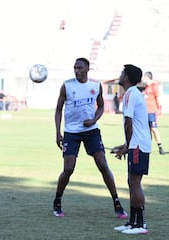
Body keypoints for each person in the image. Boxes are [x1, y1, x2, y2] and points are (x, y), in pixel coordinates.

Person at [53, 57, 127, 219]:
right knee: (68, 169)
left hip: (91, 131)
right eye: (75, 68)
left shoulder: (95, 85)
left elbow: (101, 106)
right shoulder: (67, 86)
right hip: (71, 132)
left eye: (80, 68)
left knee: (102, 164)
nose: (77, 71)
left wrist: (93, 120)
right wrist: (58, 132)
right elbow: (58, 109)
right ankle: (57, 201)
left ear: (87, 68)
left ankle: (116, 202)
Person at [112, 64, 151, 235]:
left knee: (135, 183)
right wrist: (126, 145)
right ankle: (133, 222)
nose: (119, 76)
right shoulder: (134, 94)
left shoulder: (130, 94)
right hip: (137, 144)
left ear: (126, 77)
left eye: (121, 73)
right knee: (131, 182)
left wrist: (128, 146)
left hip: (138, 146)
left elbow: (128, 122)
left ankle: (141, 225)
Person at [142, 71, 166, 155]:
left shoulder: (154, 86)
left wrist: (159, 108)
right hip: (145, 112)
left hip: (152, 111)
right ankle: (148, 147)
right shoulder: (145, 87)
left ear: (147, 77)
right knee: (147, 130)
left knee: (154, 129)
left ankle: (160, 147)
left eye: (144, 77)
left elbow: (158, 97)